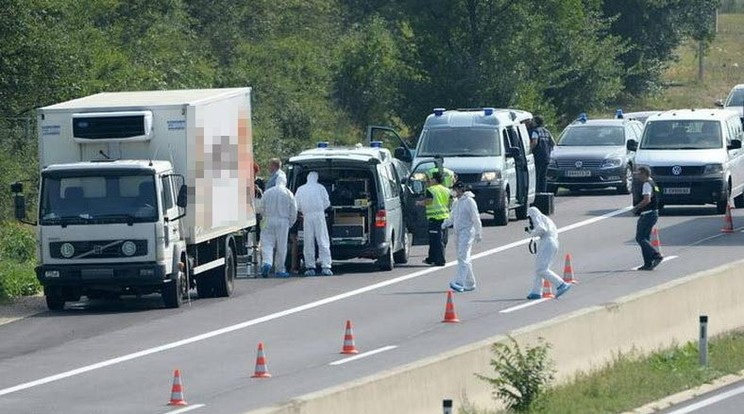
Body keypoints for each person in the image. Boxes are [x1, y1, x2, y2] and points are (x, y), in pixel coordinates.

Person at [441, 181, 482, 292]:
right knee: (463, 257)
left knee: (462, 256)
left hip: (467, 231)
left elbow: (475, 217)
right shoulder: (456, 202)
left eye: (454, 189)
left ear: (460, 190)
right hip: (458, 232)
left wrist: (479, 232)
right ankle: (470, 282)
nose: (453, 192)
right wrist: (446, 223)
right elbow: (453, 216)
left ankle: (459, 282)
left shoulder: (469, 201)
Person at [525, 206, 571, 299]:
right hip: (551, 241)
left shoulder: (536, 216)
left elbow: (542, 229)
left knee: (541, 268)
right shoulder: (546, 219)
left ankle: (561, 284)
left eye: (529, 218)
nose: (530, 220)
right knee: (539, 267)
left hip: (548, 242)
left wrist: (532, 232)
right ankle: (536, 291)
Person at [294, 171, 333, 276]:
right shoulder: (320, 188)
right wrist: (320, 209)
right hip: (319, 215)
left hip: (307, 216)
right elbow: (327, 202)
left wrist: (304, 211)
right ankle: (326, 266)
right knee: (323, 240)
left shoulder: (301, 189)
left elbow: (296, 205)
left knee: (308, 241)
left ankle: (310, 266)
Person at [258, 175, 297, 278]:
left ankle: (267, 262)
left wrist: (264, 217)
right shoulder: (288, 193)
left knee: (267, 243)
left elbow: (261, 208)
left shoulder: (268, 192)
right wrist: (290, 223)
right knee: (281, 246)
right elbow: (294, 210)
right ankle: (280, 269)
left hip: (268, 220)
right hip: (283, 221)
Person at [631, 166, 663, 270]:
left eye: (639, 174)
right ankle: (648, 263)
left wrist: (636, 208)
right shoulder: (653, 182)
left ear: (644, 174)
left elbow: (647, 200)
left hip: (648, 214)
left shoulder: (646, 184)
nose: (638, 176)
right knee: (645, 238)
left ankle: (655, 254)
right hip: (653, 213)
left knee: (640, 238)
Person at [418, 171, 450, 266]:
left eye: (431, 179)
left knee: (436, 240)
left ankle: (440, 260)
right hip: (445, 217)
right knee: (436, 239)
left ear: (435, 180)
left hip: (435, 218)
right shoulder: (446, 190)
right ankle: (431, 258)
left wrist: (419, 203)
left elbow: (429, 201)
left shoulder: (431, 190)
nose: (430, 181)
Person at [530, 116, 555, 193]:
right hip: (546, 157)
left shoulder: (535, 131)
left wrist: (528, 150)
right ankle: (543, 193)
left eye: (533, 121)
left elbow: (534, 142)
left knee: (537, 176)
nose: (532, 122)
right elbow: (553, 143)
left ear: (536, 122)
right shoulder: (547, 131)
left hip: (538, 157)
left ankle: (537, 194)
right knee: (543, 177)